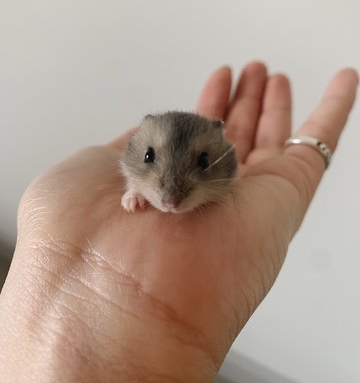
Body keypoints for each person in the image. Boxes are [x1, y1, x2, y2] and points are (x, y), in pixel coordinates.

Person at [0, 62, 358, 383]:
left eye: (202, 163)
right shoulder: (133, 161)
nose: (171, 198)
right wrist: (134, 191)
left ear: (221, 157)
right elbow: (135, 175)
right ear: (137, 147)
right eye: (151, 157)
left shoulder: (227, 171)